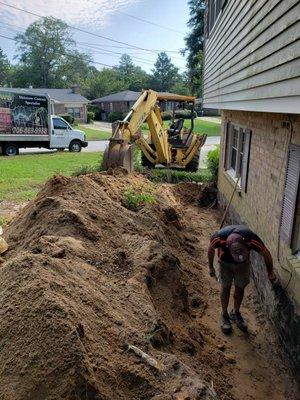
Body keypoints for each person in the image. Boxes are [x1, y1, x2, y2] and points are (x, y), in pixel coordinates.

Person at [208, 225, 277, 333]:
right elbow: (211, 249)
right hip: (225, 264)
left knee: (240, 288)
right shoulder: (219, 238)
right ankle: (224, 314)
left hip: (243, 265)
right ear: (228, 246)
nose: (239, 254)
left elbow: (266, 253)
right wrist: (211, 267)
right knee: (225, 287)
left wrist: (270, 272)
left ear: (245, 245)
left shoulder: (251, 239)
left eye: (242, 251)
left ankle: (236, 313)